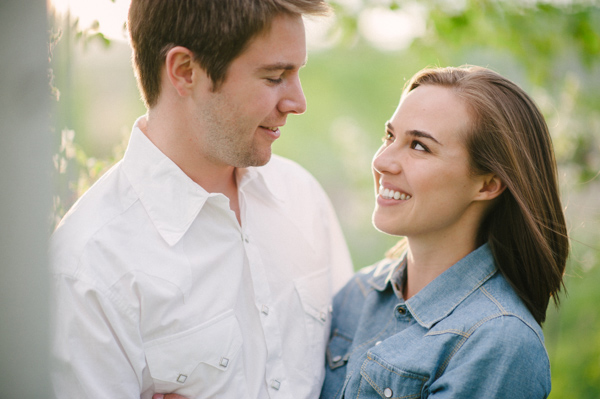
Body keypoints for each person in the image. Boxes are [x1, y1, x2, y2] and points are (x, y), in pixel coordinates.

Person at [49, 1, 353, 398]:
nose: (297, 102)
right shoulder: (88, 269)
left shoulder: (302, 197)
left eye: (297, 74)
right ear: (185, 71)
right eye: (275, 77)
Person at [319, 66, 568, 398]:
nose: (382, 162)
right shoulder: (357, 294)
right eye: (390, 137)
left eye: (419, 146)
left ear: (489, 184)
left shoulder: (497, 340)